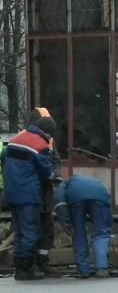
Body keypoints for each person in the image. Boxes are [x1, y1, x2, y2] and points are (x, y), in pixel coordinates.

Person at [1, 117, 55, 280]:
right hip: (28, 194)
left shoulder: (14, 140)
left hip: (11, 193)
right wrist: (54, 175)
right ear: (47, 132)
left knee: (19, 232)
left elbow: (3, 160)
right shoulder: (40, 144)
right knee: (31, 232)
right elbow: (46, 171)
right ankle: (26, 269)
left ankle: (19, 267)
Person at [27, 107, 63, 277]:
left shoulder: (49, 140)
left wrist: (56, 174)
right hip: (31, 192)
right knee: (31, 230)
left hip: (45, 191)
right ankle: (30, 263)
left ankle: (43, 262)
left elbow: (56, 160)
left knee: (47, 229)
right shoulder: (26, 139)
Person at [53, 175, 112, 279]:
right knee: (101, 234)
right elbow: (107, 206)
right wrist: (108, 226)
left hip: (76, 199)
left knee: (79, 233)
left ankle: (83, 270)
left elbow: (60, 205)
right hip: (99, 197)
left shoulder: (63, 185)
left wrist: (66, 222)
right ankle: (102, 268)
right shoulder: (98, 182)